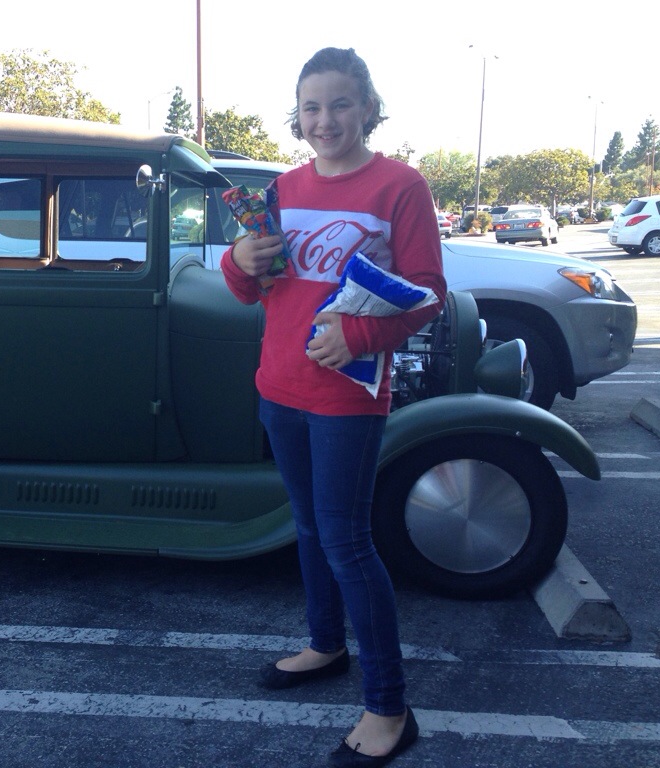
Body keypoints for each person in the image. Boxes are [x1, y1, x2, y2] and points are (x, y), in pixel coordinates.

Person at [221, 47, 446, 767]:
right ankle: (325, 645)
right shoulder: (281, 188)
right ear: (298, 116)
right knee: (311, 529)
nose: (325, 120)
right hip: (278, 388)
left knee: (347, 542)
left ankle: (389, 708)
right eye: (312, 107)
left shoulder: (400, 186)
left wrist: (358, 335)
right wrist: (237, 261)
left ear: (368, 109)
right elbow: (251, 288)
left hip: (349, 396)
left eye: (340, 103)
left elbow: (428, 293)